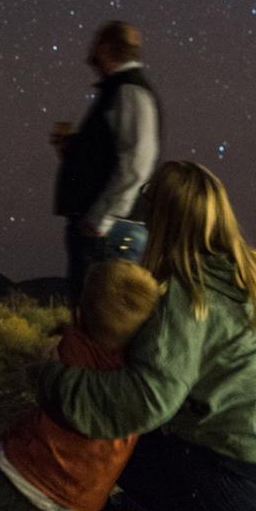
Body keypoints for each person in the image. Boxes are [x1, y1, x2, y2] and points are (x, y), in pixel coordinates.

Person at [37, 161, 256, 511]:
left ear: (161, 218)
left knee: (101, 435)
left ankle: (45, 501)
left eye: (147, 199)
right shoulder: (233, 275)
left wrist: (54, 379)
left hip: (230, 481)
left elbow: (147, 400)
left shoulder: (187, 295)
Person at [0, 259, 161, 511]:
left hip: (19, 478)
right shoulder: (140, 376)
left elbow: (44, 379)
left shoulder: (74, 345)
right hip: (78, 502)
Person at [51, 20, 161, 301]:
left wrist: (101, 218)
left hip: (110, 233)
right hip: (105, 230)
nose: (92, 53)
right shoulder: (119, 91)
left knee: (105, 315)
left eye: (97, 45)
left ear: (107, 48)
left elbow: (136, 163)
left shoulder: (129, 91)